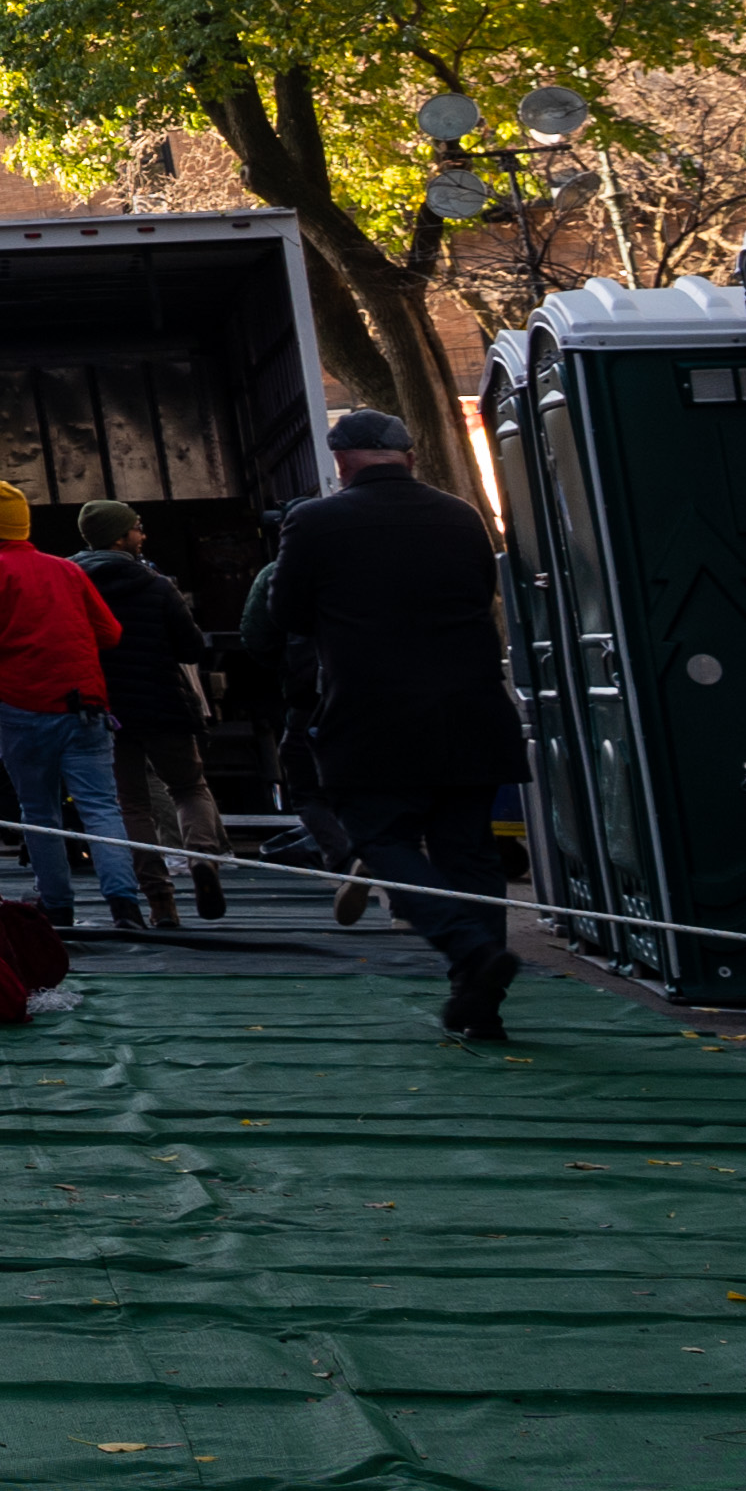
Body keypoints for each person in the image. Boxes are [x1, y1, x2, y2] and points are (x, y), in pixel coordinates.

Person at [247, 408, 531, 1038]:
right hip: (472, 708)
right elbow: (482, 588)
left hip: (373, 714)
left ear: (341, 463)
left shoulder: (314, 521)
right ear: (409, 455)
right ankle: (478, 1000)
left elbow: (286, 610)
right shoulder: (461, 515)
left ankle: (470, 951)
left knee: (381, 840)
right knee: (471, 852)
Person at [0, 480, 149, 933]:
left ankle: (57, 906)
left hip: (24, 708)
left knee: (40, 812)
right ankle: (125, 906)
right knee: (102, 808)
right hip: (86, 705)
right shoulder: (68, 571)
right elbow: (111, 633)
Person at [70, 499, 227, 923]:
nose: (143, 535)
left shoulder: (70, 582)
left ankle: (161, 902)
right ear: (120, 537)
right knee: (189, 787)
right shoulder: (156, 584)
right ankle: (202, 861)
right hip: (163, 704)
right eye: (137, 528)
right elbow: (192, 648)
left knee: (130, 805)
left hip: (105, 709)